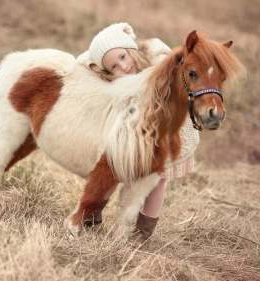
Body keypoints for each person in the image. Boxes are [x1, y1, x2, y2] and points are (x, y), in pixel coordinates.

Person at [77, 22, 199, 239]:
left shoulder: (156, 53)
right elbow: (84, 58)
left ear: (130, 49)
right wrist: (97, 67)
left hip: (169, 128)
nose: (122, 67)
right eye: (113, 66)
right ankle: (91, 216)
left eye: (123, 58)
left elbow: (170, 64)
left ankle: (142, 234)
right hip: (138, 128)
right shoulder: (116, 68)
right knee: (114, 169)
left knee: (157, 180)